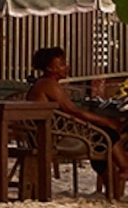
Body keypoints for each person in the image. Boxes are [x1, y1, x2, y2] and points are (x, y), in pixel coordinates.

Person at [28, 47, 125, 187]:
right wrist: (106, 120)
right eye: (61, 64)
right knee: (107, 134)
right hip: (53, 136)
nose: (66, 67)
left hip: (54, 131)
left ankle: (114, 189)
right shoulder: (48, 84)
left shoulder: (45, 83)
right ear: (49, 68)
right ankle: (124, 168)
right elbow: (72, 111)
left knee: (101, 142)